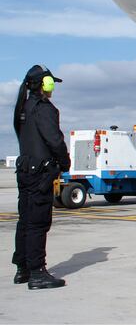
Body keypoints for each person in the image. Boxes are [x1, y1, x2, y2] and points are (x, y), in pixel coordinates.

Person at [12, 65, 70, 290]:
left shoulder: (23, 108)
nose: (53, 87)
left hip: (25, 170)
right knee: (38, 223)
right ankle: (37, 273)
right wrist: (64, 161)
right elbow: (54, 140)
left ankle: (22, 269)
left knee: (25, 221)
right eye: (51, 83)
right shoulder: (45, 109)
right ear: (45, 84)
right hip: (40, 174)